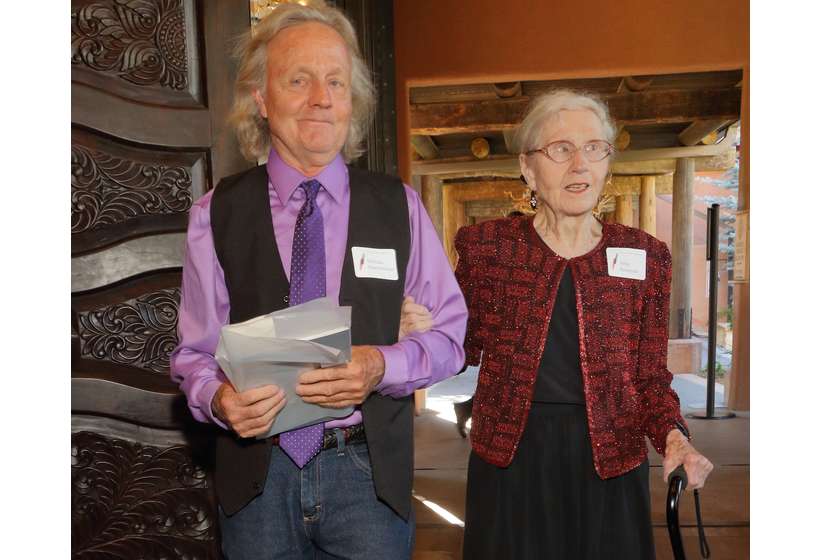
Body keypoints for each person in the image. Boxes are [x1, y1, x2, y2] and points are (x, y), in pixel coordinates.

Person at [169, 4, 467, 559]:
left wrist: (380, 365)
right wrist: (217, 398)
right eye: (299, 80)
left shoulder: (398, 206)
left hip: (368, 475)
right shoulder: (216, 213)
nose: (321, 98)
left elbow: (450, 339)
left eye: (336, 81)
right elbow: (194, 354)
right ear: (261, 98)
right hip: (256, 475)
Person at [455, 89, 714, 559]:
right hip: (512, 463)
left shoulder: (645, 256)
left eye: (595, 148)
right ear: (528, 168)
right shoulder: (488, 249)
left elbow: (650, 379)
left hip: (610, 463)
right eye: (561, 149)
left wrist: (675, 438)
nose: (580, 165)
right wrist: (419, 325)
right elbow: (458, 346)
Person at [452, 210, 525, 438]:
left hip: (510, 331)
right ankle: (469, 410)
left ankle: (466, 408)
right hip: (500, 332)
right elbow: (470, 297)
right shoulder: (490, 251)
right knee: (502, 387)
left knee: (503, 387)